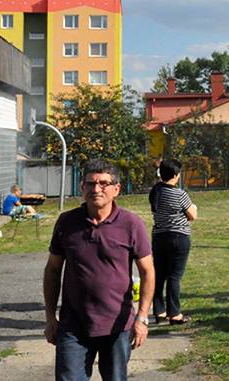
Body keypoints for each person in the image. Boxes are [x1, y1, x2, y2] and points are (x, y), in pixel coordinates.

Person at [43, 159, 155, 381]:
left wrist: (142, 318)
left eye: (104, 183)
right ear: (82, 187)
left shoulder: (131, 224)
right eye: (90, 183)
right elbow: (53, 270)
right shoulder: (67, 222)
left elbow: (147, 272)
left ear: (116, 189)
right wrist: (50, 317)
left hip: (117, 325)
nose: (96, 189)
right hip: (73, 325)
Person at [148, 158, 197, 326]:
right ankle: (174, 314)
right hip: (178, 237)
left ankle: (159, 311)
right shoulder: (179, 194)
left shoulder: (156, 192)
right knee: (174, 276)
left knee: (159, 275)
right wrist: (194, 207)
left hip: (159, 236)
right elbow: (192, 215)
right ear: (175, 175)